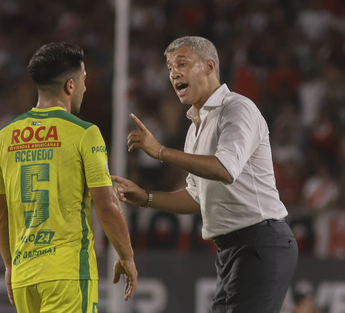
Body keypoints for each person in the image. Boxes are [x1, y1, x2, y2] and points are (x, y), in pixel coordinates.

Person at [112, 36, 298, 313]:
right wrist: (146, 198)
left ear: (210, 67)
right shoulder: (196, 127)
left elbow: (225, 169)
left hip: (261, 240)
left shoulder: (237, 109)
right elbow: (197, 196)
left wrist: (161, 152)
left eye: (182, 63)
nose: (173, 72)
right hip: (230, 249)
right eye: (169, 67)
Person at [0, 42, 137, 313]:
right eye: (83, 81)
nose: (85, 88)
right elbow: (106, 204)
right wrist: (126, 255)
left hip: (24, 276)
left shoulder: (4, 137)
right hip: (66, 272)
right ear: (70, 85)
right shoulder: (84, 133)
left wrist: (9, 265)